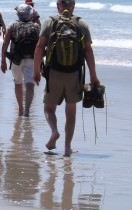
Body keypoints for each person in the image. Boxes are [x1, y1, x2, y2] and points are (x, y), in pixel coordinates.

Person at [33, 0, 100, 157]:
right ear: (73, 6)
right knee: (71, 113)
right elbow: (88, 51)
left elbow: (39, 47)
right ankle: (67, 148)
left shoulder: (50, 22)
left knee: (49, 109)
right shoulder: (81, 23)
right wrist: (93, 75)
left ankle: (54, 131)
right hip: (75, 74)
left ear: (58, 6)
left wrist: (36, 71)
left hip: (54, 72)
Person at [1, 4, 40, 117]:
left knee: (18, 83)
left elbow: (5, 44)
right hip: (32, 59)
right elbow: (41, 46)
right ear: (30, 14)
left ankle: (20, 108)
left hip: (16, 60)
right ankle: (27, 110)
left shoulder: (12, 25)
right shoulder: (36, 27)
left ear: (18, 14)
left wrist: (3, 61)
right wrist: (41, 62)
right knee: (30, 85)